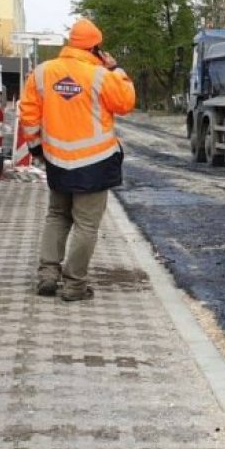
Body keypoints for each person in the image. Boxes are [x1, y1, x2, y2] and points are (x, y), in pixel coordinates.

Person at [19, 18, 136, 302]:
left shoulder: (42, 72)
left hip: (57, 159)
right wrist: (116, 69)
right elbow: (126, 103)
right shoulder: (102, 76)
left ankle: (48, 274)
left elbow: (29, 115)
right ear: (95, 47)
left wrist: (36, 149)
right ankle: (74, 285)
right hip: (95, 162)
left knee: (57, 215)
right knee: (86, 224)